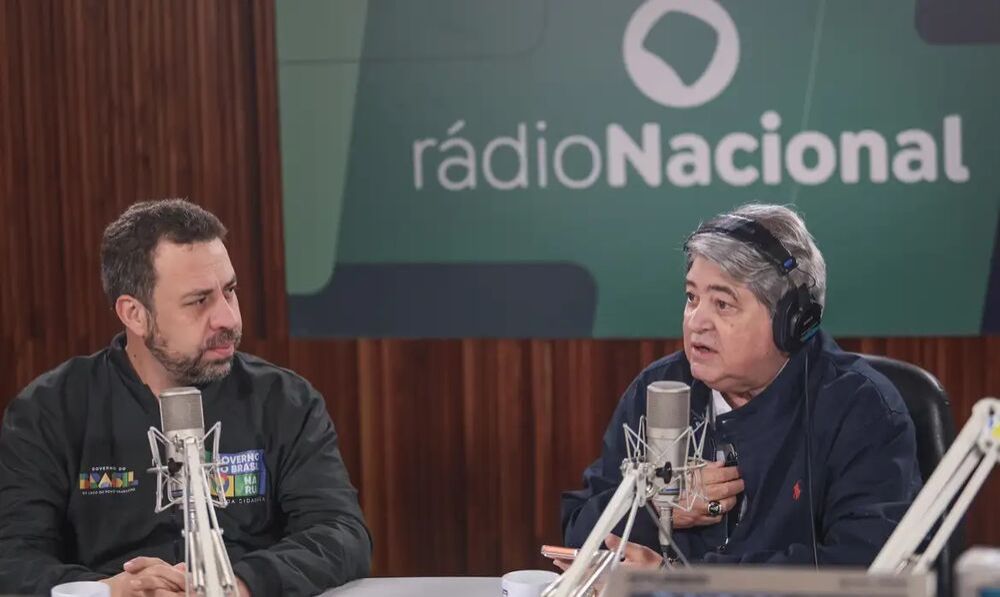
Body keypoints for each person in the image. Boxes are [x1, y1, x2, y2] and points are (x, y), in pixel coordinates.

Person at [0, 199, 372, 596]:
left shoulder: (284, 401)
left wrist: (239, 584)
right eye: (199, 301)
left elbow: (340, 533)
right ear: (135, 314)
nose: (228, 318)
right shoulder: (50, 411)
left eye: (230, 291)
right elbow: (13, 556)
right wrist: (109, 590)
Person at [561, 203, 921, 568]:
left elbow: (865, 566)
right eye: (692, 298)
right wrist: (656, 508)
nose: (696, 321)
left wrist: (683, 584)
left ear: (791, 322)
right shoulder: (661, 389)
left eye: (722, 304)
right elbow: (578, 530)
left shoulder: (861, 408)